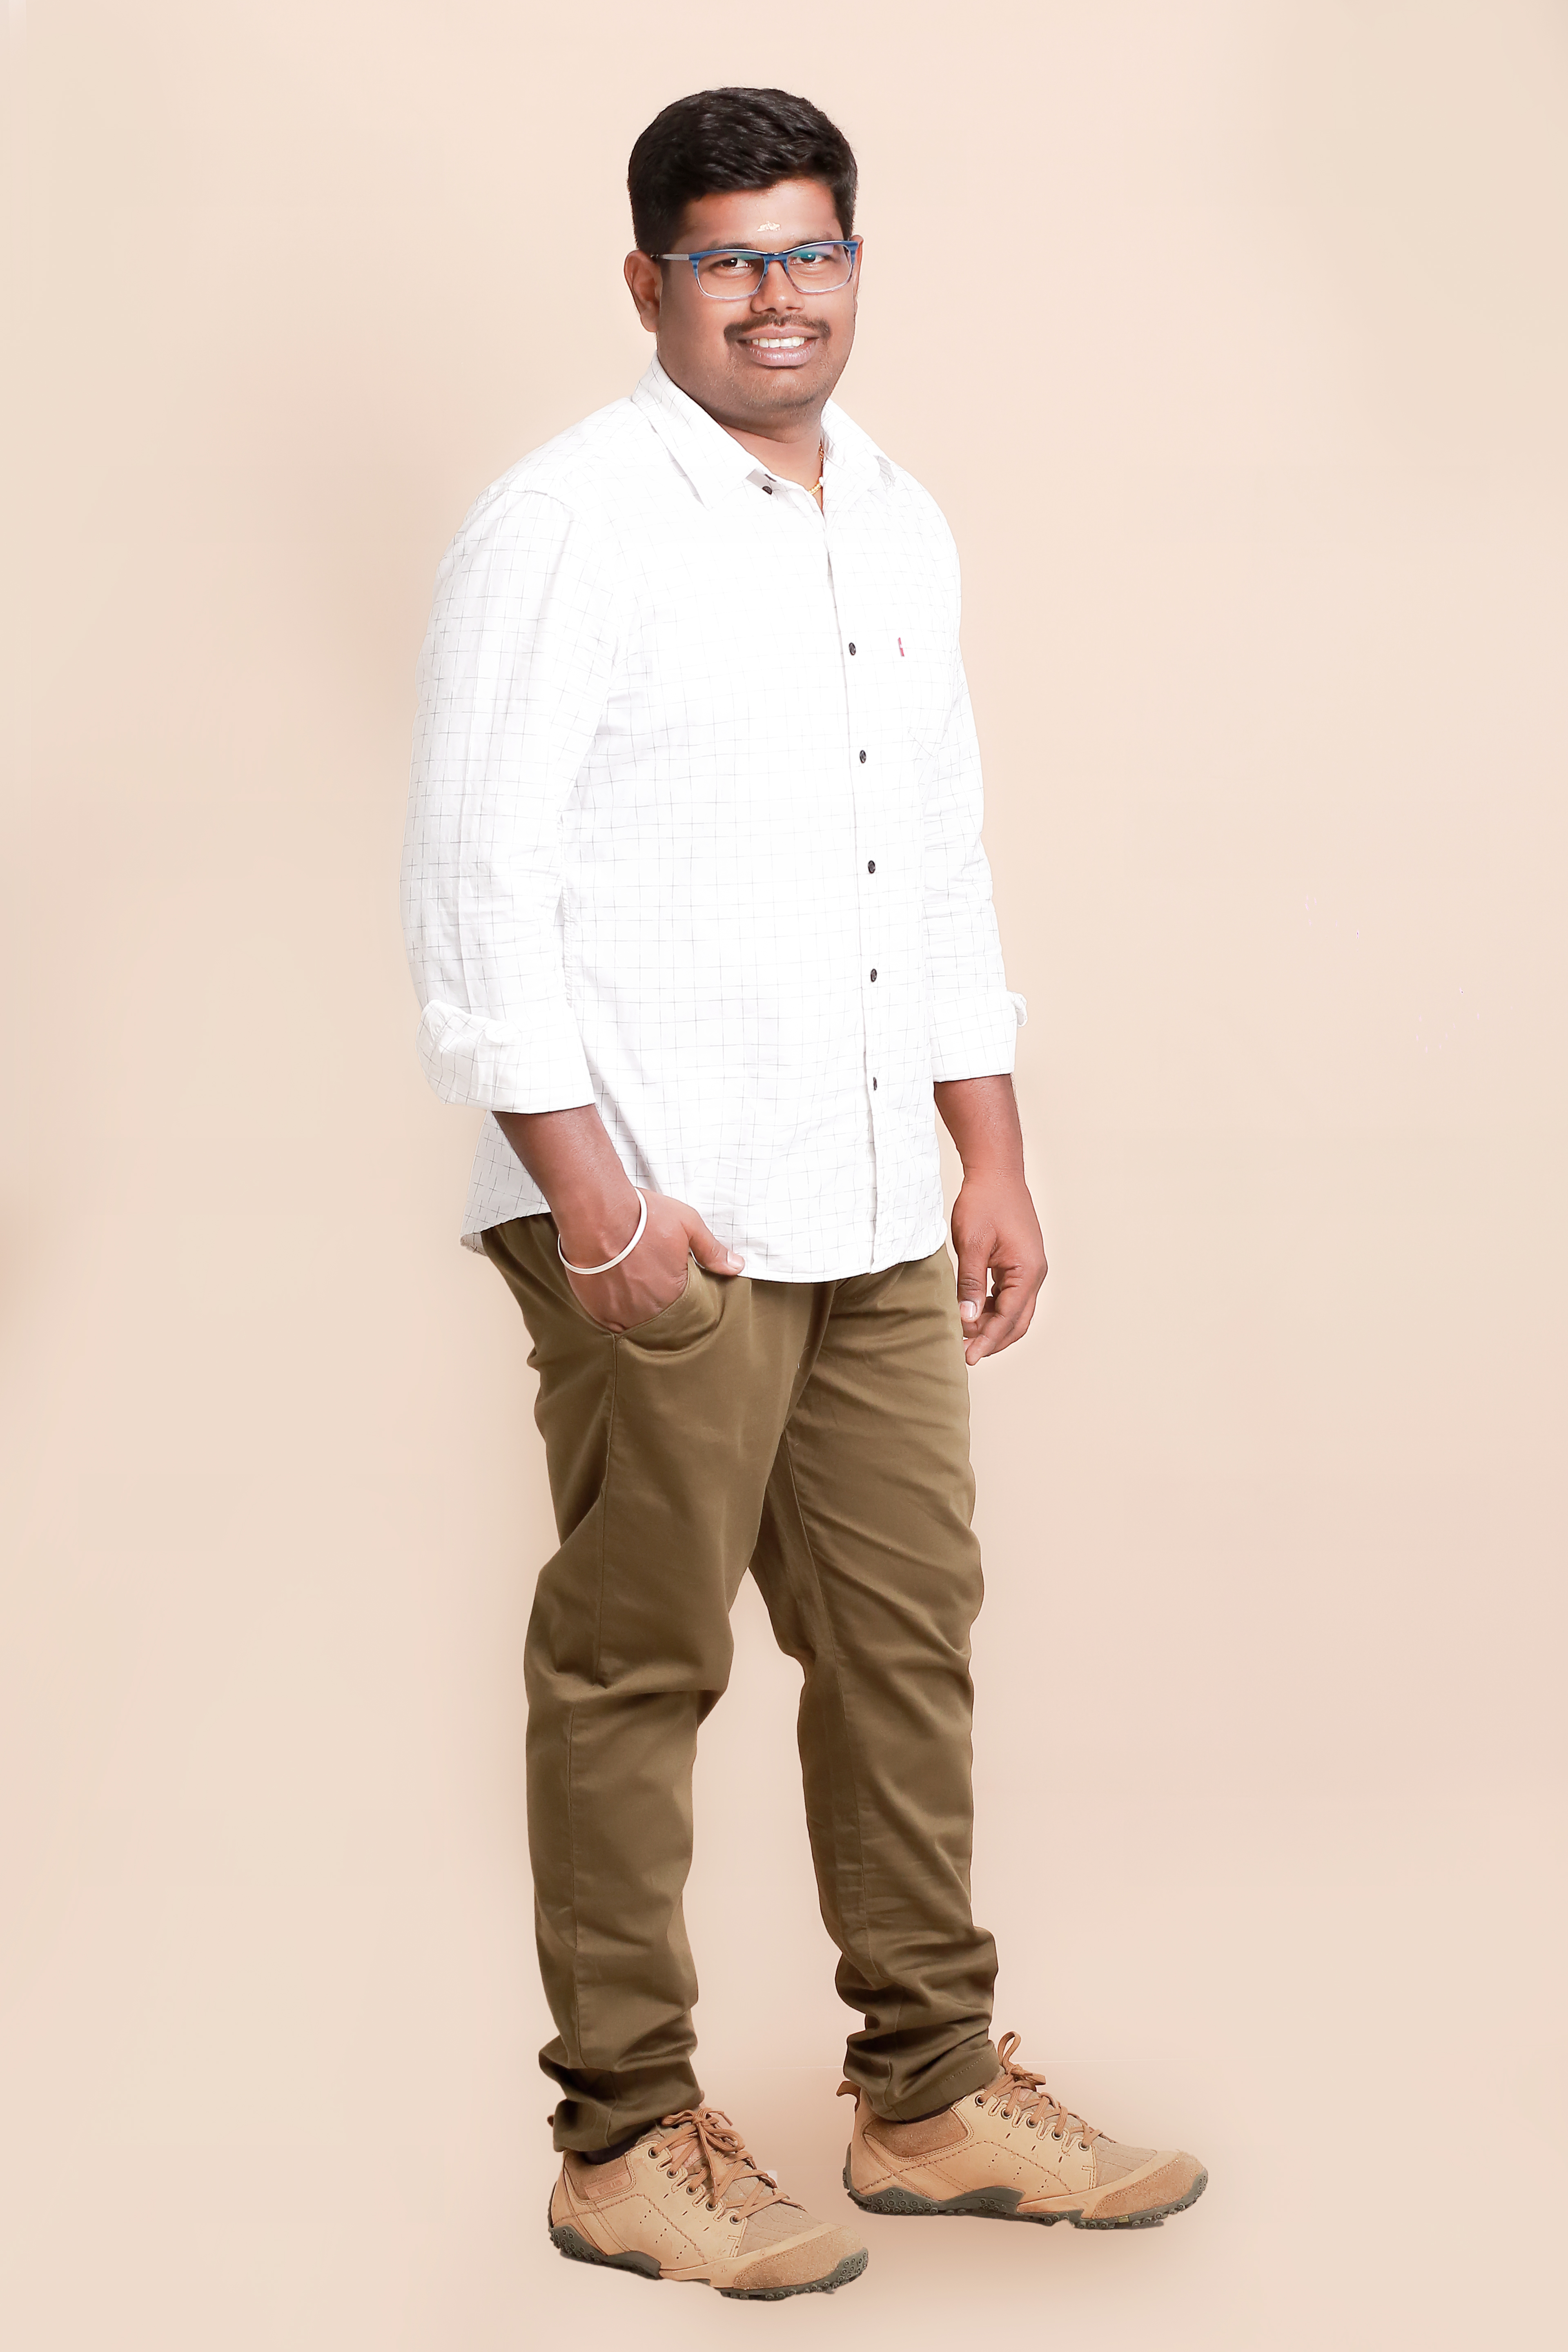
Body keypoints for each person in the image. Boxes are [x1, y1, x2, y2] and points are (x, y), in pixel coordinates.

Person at [401, 85, 1206, 2301]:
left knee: (906, 1638)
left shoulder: (898, 519)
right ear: (649, 281)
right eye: (733, 259)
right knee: (639, 1660)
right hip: (659, 1204)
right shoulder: (564, 523)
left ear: (857, 266)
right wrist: (593, 1207)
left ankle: (929, 2093)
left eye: (814, 251)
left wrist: (990, 1150)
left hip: (866, 1194)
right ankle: (621, 2140)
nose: (780, 296)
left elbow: (927, 858)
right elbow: (472, 882)